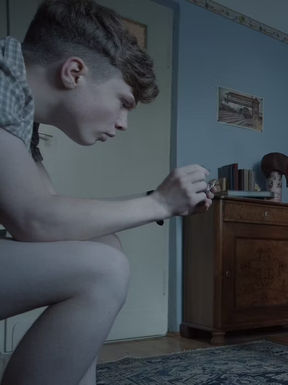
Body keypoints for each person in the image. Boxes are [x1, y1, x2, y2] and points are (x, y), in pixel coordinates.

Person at [0, 1, 214, 384]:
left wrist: (161, 202)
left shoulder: (20, 106)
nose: (123, 123)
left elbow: (52, 219)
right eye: (123, 102)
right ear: (74, 72)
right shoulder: (1, 84)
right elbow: (35, 221)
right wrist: (159, 202)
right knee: (105, 270)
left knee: (106, 246)